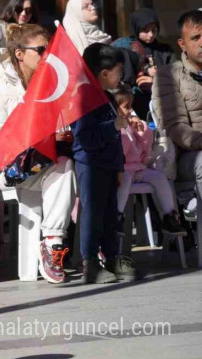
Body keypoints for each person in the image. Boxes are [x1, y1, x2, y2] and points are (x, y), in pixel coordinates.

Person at [0, 24, 77, 284]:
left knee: (70, 165)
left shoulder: (53, 80)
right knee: (63, 166)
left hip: (50, 162)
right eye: (41, 50)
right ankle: (55, 244)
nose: (47, 55)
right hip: (12, 167)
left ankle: (55, 243)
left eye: (49, 49)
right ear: (20, 54)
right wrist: (38, 137)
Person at [74, 43, 139, 284]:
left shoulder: (107, 98)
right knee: (92, 214)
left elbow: (115, 140)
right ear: (104, 73)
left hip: (109, 166)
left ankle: (112, 258)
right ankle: (90, 263)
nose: (121, 76)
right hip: (90, 165)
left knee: (110, 215)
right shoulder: (84, 97)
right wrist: (111, 126)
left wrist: (119, 165)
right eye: (118, 71)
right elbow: (84, 137)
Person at [112, 84, 184, 234]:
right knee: (124, 181)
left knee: (159, 178)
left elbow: (145, 150)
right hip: (122, 170)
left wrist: (142, 131)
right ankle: (116, 216)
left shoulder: (131, 125)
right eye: (127, 107)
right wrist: (124, 131)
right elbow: (121, 153)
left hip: (138, 168)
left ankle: (169, 216)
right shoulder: (116, 128)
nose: (131, 111)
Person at [152, 9, 202, 218]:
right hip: (190, 155)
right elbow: (176, 128)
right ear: (182, 44)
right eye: (196, 38)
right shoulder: (169, 75)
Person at [113, 9, 175, 119]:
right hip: (136, 106)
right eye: (145, 31)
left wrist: (156, 81)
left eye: (154, 30)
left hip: (163, 104)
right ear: (136, 29)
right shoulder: (127, 48)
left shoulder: (165, 51)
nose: (151, 35)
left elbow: (175, 75)